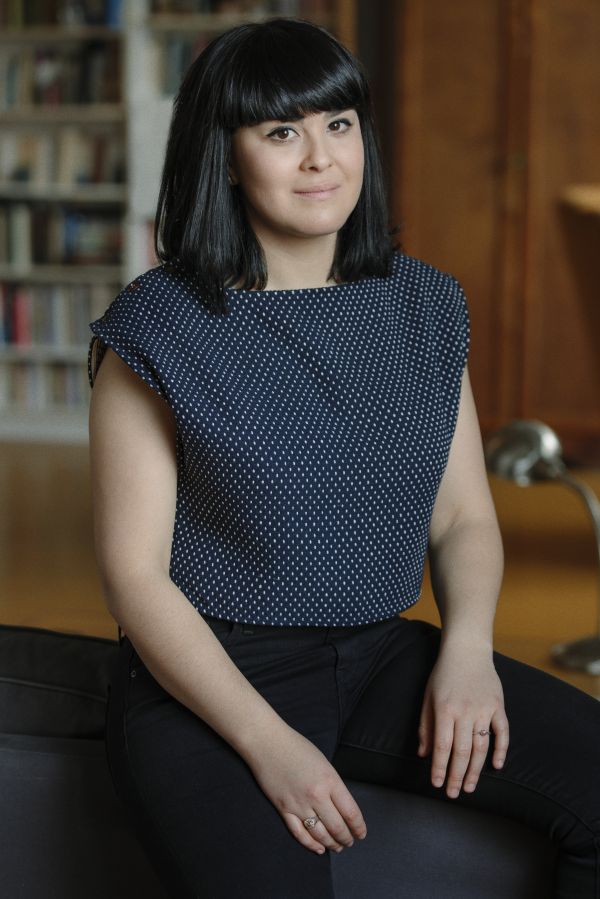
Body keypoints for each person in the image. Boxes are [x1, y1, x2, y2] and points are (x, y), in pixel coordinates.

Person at [88, 18, 600, 899]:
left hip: (379, 656)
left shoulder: (426, 304)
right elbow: (134, 578)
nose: (321, 158)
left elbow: (463, 516)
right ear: (226, 156)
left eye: (338, 123)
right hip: (210, 679)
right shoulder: (157, 325)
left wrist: (469, 649)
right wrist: (269, 743)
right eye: (281, 132)